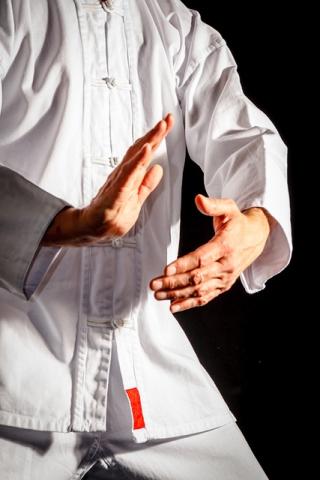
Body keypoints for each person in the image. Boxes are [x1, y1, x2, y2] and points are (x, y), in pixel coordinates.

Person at [0, 0, 291, 478]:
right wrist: (67, 224)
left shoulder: (176, 25)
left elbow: (245, 134)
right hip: (16, 381)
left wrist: (254, 225)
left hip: (151, 376)